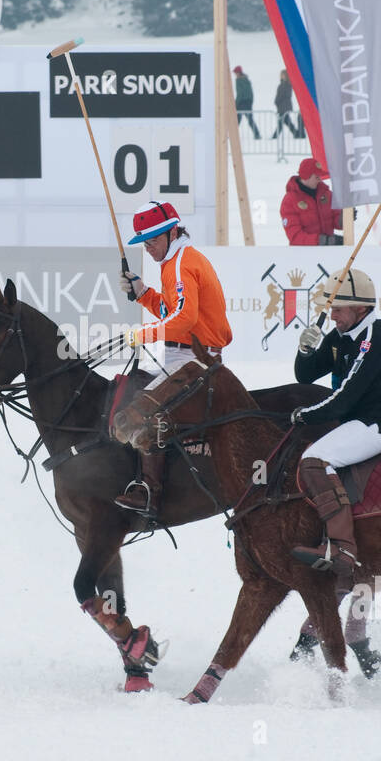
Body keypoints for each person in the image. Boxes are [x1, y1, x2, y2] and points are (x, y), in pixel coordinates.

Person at [288, 267, 381, 575]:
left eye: (339, 308)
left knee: (314, 459)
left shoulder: (373, 339)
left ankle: (342, 547)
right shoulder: (343, 335)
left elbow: (344, 397)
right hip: (358, 422)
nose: (332, 315)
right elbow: (305, 376)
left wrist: (304, 416)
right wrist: (305, 350)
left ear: (361, 308)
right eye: (331, 308)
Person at [117, 200, 233, 519]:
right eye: (145, 243)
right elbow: (174, 313)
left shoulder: (182, 263)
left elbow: (183, 321)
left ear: (171, 233)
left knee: (144, 408)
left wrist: (141, 334)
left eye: (153, 241)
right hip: (184, 353)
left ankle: (150, 493)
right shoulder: (174, 262)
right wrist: (144, 293)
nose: (149, 249)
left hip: (196, 359)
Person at [280, 157, 346, 246]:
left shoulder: (326, 194)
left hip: (329, 251)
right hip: (304, 254)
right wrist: (323, 241)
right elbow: (295, 237)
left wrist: (344, 218)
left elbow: (335, 218)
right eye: (317, 176)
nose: (320, 179)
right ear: (306, 176)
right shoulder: (290, 201)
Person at [232, 66, 260, 139]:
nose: (235, 74)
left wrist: (236, 103)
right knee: (250, 120)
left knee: (237, 120)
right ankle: (257, 134)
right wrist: (250, 102)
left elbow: (240, 93)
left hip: (241, 103)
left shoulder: (238, 80)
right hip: (248, 102)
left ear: (238, 72)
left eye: (235, 72)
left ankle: (233, 134)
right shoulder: (246, 80)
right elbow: (251, 93)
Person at [271, 69, 296, 139]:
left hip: (284, 106)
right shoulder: (283, 84)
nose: (281, 76)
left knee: (282, 122)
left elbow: (283, 95)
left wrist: (277, 101)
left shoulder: (287, 84)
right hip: (282, 106)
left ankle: (275, 136)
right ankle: (296, 133)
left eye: (282, 75)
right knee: (286, 121)